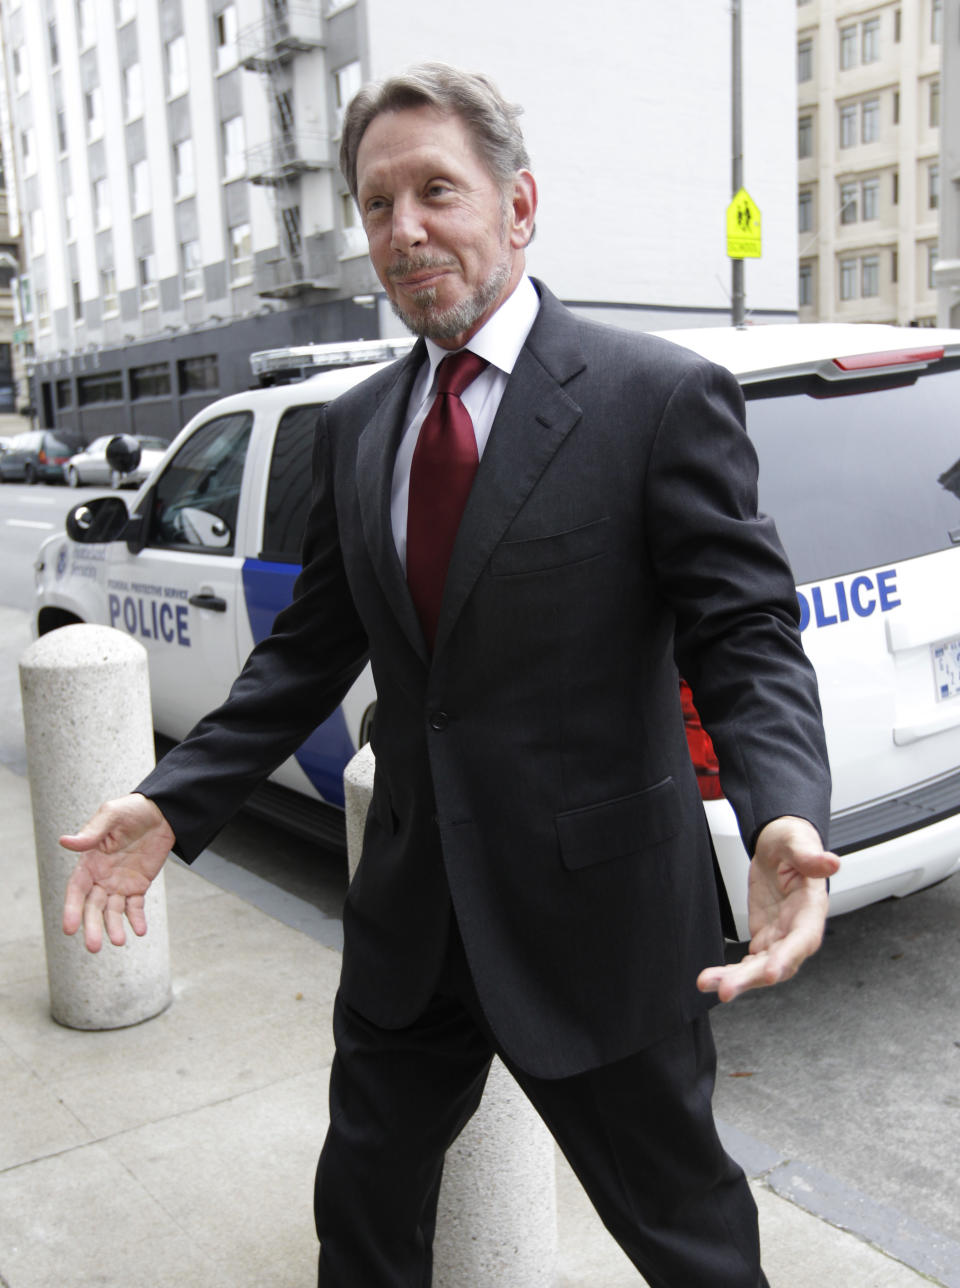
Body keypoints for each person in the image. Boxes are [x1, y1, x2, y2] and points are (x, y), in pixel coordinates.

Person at [60, 63, 838, 1288]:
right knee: (362, 1221)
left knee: (689, 1243)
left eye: (437, 191)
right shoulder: (358, 424)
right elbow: (312, 644)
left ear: (518, 206)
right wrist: (177, 796)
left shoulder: (652, 398)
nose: (404, 228)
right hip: (412, 920)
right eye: (378, 204)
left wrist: (782, 808)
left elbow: (744, 632)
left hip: (602, 930)